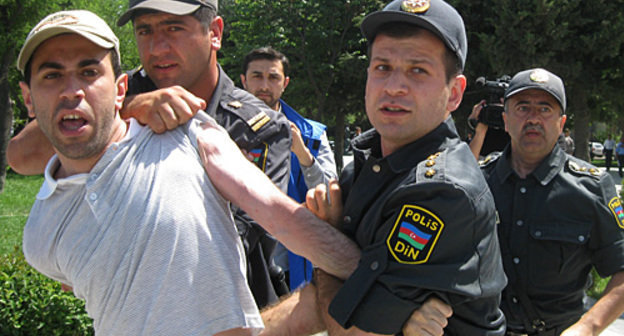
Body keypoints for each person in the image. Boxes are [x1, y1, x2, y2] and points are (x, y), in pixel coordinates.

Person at [199, 0, 507, 335]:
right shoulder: (367, 165)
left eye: (418, 70)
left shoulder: (445, 190)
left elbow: (358, 329)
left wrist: (326, 248)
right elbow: (316, 301)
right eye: (382, 67)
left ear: (455, 94)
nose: (393, 86)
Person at [7, 0, 292, 309]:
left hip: (233, 310)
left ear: (214, 32)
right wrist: (129, 107)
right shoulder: (115, 89)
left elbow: (237, 236)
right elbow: (21, 156)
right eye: (144, 31)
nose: (157, 48)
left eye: (173, 28)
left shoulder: (257, 126)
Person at [474, 68, 624, 335]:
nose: (533, 118)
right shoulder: (477, 182)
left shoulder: (591, 188)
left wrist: (588, 327)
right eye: (522, 108)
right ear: (505, 120)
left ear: (561, 122)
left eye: (545, 109)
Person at [240, 46, 338, 290]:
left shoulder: (311, 135)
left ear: (285, 83)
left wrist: (303, 155)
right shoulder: (220, 131)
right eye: (256, 76)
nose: (264, 85)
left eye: (273, 77)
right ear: (243, 81)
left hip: (289, 267)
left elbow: (330, 198)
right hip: (236, 262)